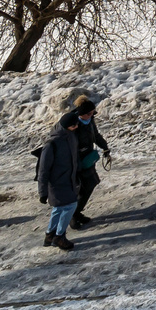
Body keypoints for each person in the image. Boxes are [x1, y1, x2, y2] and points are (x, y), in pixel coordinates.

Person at [34, 106, 82, 251]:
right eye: (74, 125)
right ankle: (59, 236)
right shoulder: (51, 144)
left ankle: (50, 235)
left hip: (69, 179)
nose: (77, 127)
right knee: (70, 206)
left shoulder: (70, 136)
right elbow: (43, 170)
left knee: (59, 208)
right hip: (57, 183)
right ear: (68, 126)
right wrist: (42, 192)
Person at [68, 94, 112, 230]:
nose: (92, 115)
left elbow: (95, 136)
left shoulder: (89, 120)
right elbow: (68, 144)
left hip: (87, 159)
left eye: (93, 113)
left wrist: (105, 147)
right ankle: (73, 215)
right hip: (76, 161)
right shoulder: (73, 124)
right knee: (81, 188)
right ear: (81, 113)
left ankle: (76, 212)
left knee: (90, 184)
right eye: (89, 113)